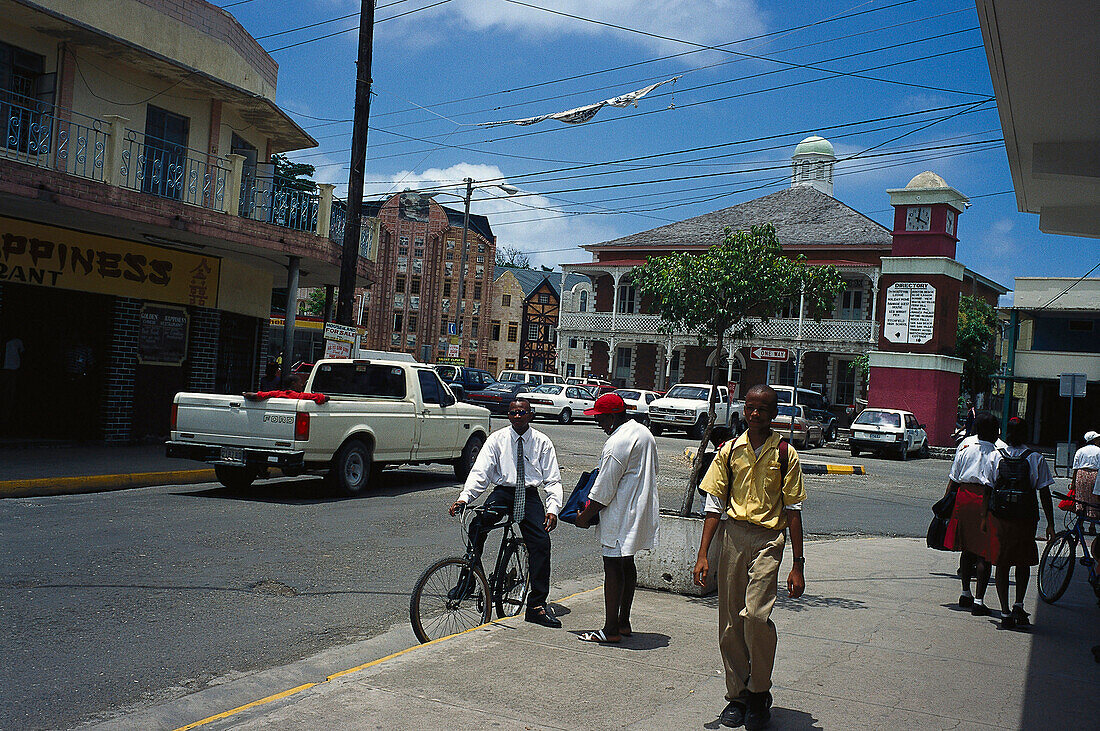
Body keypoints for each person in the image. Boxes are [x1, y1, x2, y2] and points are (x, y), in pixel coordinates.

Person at [692, 384, 805, 731]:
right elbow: (714, 505)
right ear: (744, 410)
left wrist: (798, 565)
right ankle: (738, 696)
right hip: (734, 536)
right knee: (729, 622)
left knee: (755, 616)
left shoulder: (785, 453)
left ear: (774, 414)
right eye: (751, 408)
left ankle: (759, 691)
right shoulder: (728, 451)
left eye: (764, 409)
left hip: (769, 539)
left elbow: (794, 510)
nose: (756, 414)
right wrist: (703, 554)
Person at [450, 398, 564, 628]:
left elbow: (552, 479)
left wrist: (553, 508)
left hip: (529, 495)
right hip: (503, 492)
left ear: (530, 415)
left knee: (541, 543)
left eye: (522, 412)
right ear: (509, 416)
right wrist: (465, 498)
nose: (517, 416)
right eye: (513, 413)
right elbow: (480, 472)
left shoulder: (542, 442)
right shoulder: (497, 439)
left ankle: (536, 605)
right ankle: (469, 579)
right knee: (477, 525)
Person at [575, 393, 660, 644]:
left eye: (600, 419)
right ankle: (623, 621)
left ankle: (610, 629)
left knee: (612, 567)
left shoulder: (616, 443)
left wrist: (584, 516)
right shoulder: (643, 432)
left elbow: (604, 488)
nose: (598, 424)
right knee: (627, 564)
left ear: (612, 417)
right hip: (638, 508)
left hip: (619, 512)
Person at [984, 416, 1055, 629]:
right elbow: (1044, 492)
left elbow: (988, 489)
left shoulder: (996, 456)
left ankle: (1004, 613)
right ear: (1026, 433)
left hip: (1001, 518)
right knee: (1023, 562)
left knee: (1002, 563)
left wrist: (983, 518)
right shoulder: (1036, 458)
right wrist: (1050, 524)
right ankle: (1018, 604)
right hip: (1026, 519)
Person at [943, 411, 1004, 616]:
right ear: (995, 432)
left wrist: (947, 503)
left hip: (963, 497)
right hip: (984, 501)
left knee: (966, 548)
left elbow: (954, 478)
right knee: (984, 553)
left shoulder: (965, 448)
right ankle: (979, 601)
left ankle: (965, 592)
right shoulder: (998, 452)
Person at [1071, 430, 1100, 546]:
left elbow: (1075, 467)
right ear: (1093, 440)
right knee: (1094, 500)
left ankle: (1080, 525)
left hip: (1081, 475)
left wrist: (1073, 483)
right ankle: (1092, 526)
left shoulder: (1080, 451)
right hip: (1095, 475)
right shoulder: (1099, 450)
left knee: (1081, 499)